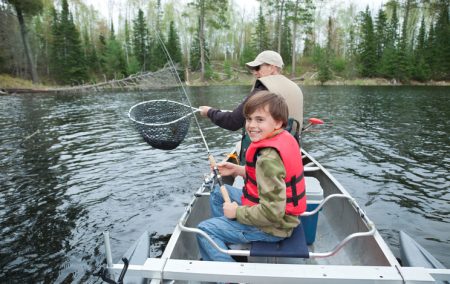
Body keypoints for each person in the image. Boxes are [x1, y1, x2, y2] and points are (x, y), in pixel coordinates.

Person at [196, 91, 307, 262]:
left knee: (205, 231)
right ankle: (229, 240)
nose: (251, 125)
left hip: (274, 228)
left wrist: (237, 212)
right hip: (279, 215)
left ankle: (230, 277)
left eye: (259, 119)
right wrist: (237, 170)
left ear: (278, 122)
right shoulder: (283, 137)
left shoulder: (268, 159)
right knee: (218, 193)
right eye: (248, 119)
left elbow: (272, 214)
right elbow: (271, 178)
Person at [199, 50, 304, 162]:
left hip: (267, 153)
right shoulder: (295, 87)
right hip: (291, 149)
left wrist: (209, 112)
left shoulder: (262, 90)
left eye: (258, 67)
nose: (254, 72)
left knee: (239, 146)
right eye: (253, 69)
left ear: (272, 67)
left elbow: (232, 122)